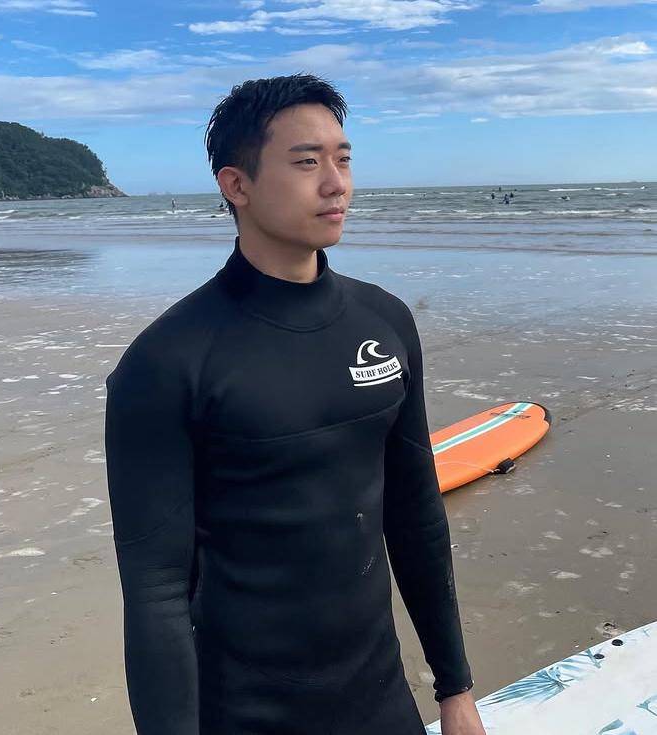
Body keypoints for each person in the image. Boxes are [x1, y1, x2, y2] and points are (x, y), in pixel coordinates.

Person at [104, 73, 484, 735]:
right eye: (307, 163)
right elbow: (155, 589)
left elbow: (416, 513)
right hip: (244, 713)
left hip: (381, 703)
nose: (336, 184)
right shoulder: (167, 363)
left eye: (343, 159)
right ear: (237, 185)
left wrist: (456, 690)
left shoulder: (384, 322)